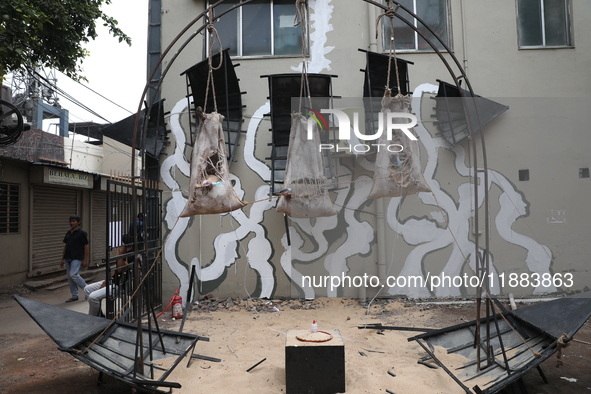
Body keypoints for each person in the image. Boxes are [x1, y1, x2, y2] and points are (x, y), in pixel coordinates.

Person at [84, 234, 133, 316]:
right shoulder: (123, 253)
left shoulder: (130, 255)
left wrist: (121, 253)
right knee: (87, 289)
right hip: (113, 282)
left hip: (119, 286)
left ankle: (93, 317)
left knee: (92, 297)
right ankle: (99, 314)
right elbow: (115, 271)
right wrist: (107, 281)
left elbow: (121, 269)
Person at [60, 215, 89, 303]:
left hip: (77, 257)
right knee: (70, 277)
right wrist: (62, 258)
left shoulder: (82, 233)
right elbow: (66, 246)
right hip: (68, 257)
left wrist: (85, 260)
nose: (72, 223)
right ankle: (75, 295)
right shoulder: (69, 233)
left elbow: (86, 246)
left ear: (78, 222)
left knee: (73, 274)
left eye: (74, 221)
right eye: (71, 221)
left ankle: (89, 290)